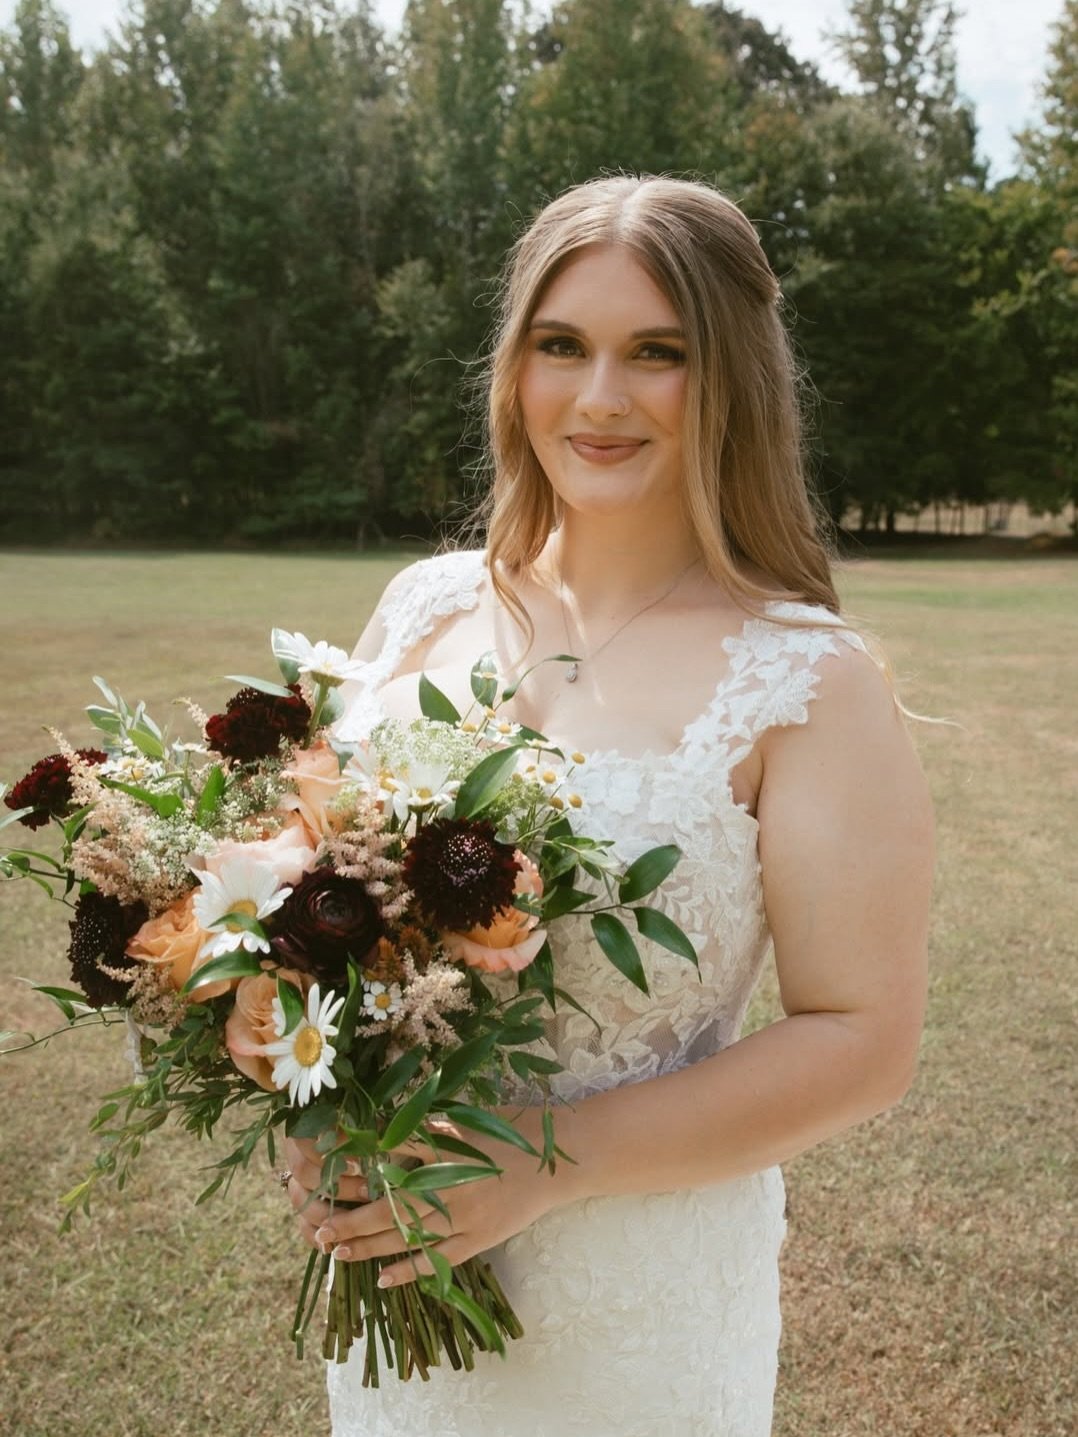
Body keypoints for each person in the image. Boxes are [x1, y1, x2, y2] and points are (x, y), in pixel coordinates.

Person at [284, 174, 933, 1436]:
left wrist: (540, 1162)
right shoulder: (423, 608)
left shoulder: (806, 680)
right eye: (561, 345)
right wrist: (309, 1103)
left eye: (657, 354)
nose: (598, 397)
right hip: (399, 1298)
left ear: (732, 376)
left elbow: (863, 1039)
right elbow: (306, 902)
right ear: (514, 365)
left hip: (633, 1320)